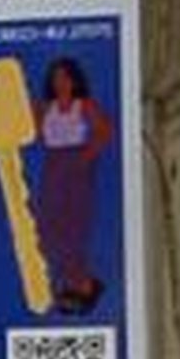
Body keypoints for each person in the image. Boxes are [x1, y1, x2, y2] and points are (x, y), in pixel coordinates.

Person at [33, 50, 115, 314]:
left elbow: (104, 130)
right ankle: (74, 282)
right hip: (53, 166)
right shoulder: (45, 108)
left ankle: (81, 286)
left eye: (65, 78)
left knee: (73, 229)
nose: (60, 83)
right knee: (47, 227)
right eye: (56, 78)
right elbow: (30, 130)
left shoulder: (85, 106)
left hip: (76, 166)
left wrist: (87, 156)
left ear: (74, 80)